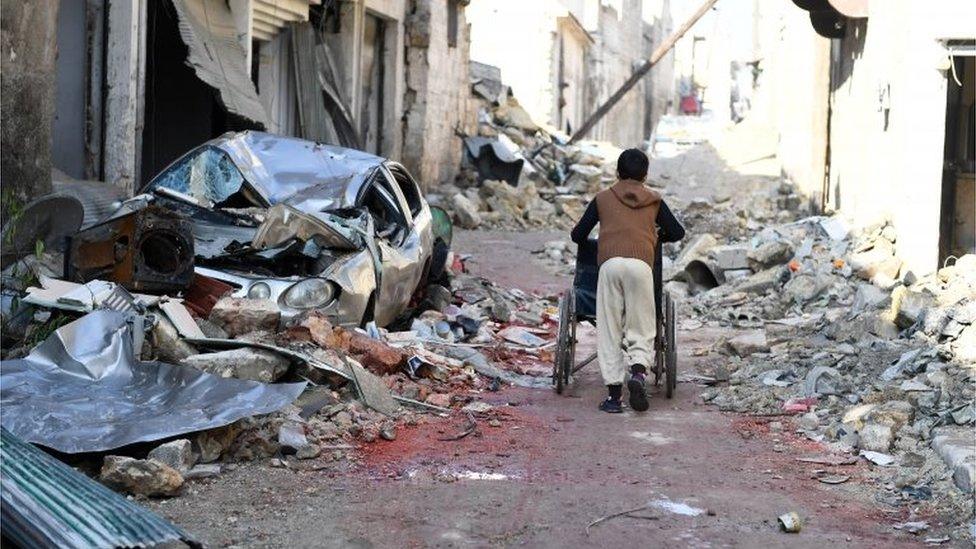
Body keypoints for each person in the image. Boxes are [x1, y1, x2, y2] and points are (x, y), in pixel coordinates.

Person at [570, 148, 685, 413]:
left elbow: (578, 235)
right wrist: (655, 237)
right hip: (642, 267)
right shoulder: (655, 200)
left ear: (617, 172)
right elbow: (677, 231)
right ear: (645, 175)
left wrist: (607, 237)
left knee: (610, 327)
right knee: (642, 326)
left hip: (609, 267)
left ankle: (613, 397)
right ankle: (638, 374)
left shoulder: (602, 198)